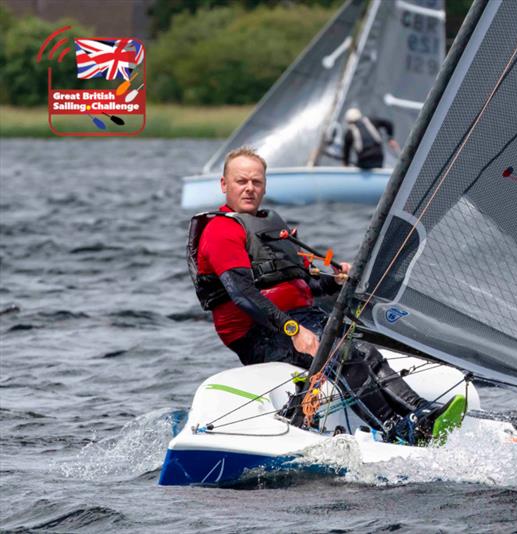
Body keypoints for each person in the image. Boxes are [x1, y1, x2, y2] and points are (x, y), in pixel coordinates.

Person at [187, 146, 464, 444]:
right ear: (224, 184)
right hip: (261, 333)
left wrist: (336, 281)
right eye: (241, 181)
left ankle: (420, 412)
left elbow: (306, 286)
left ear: (265, 185)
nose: (250, 188)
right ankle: (396, 426)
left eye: (256, 182)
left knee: (366, 353)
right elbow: (242, 294)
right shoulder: (220, 231)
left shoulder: (269, 224)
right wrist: (293, 331)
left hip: (301, 318)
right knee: (341, 355)